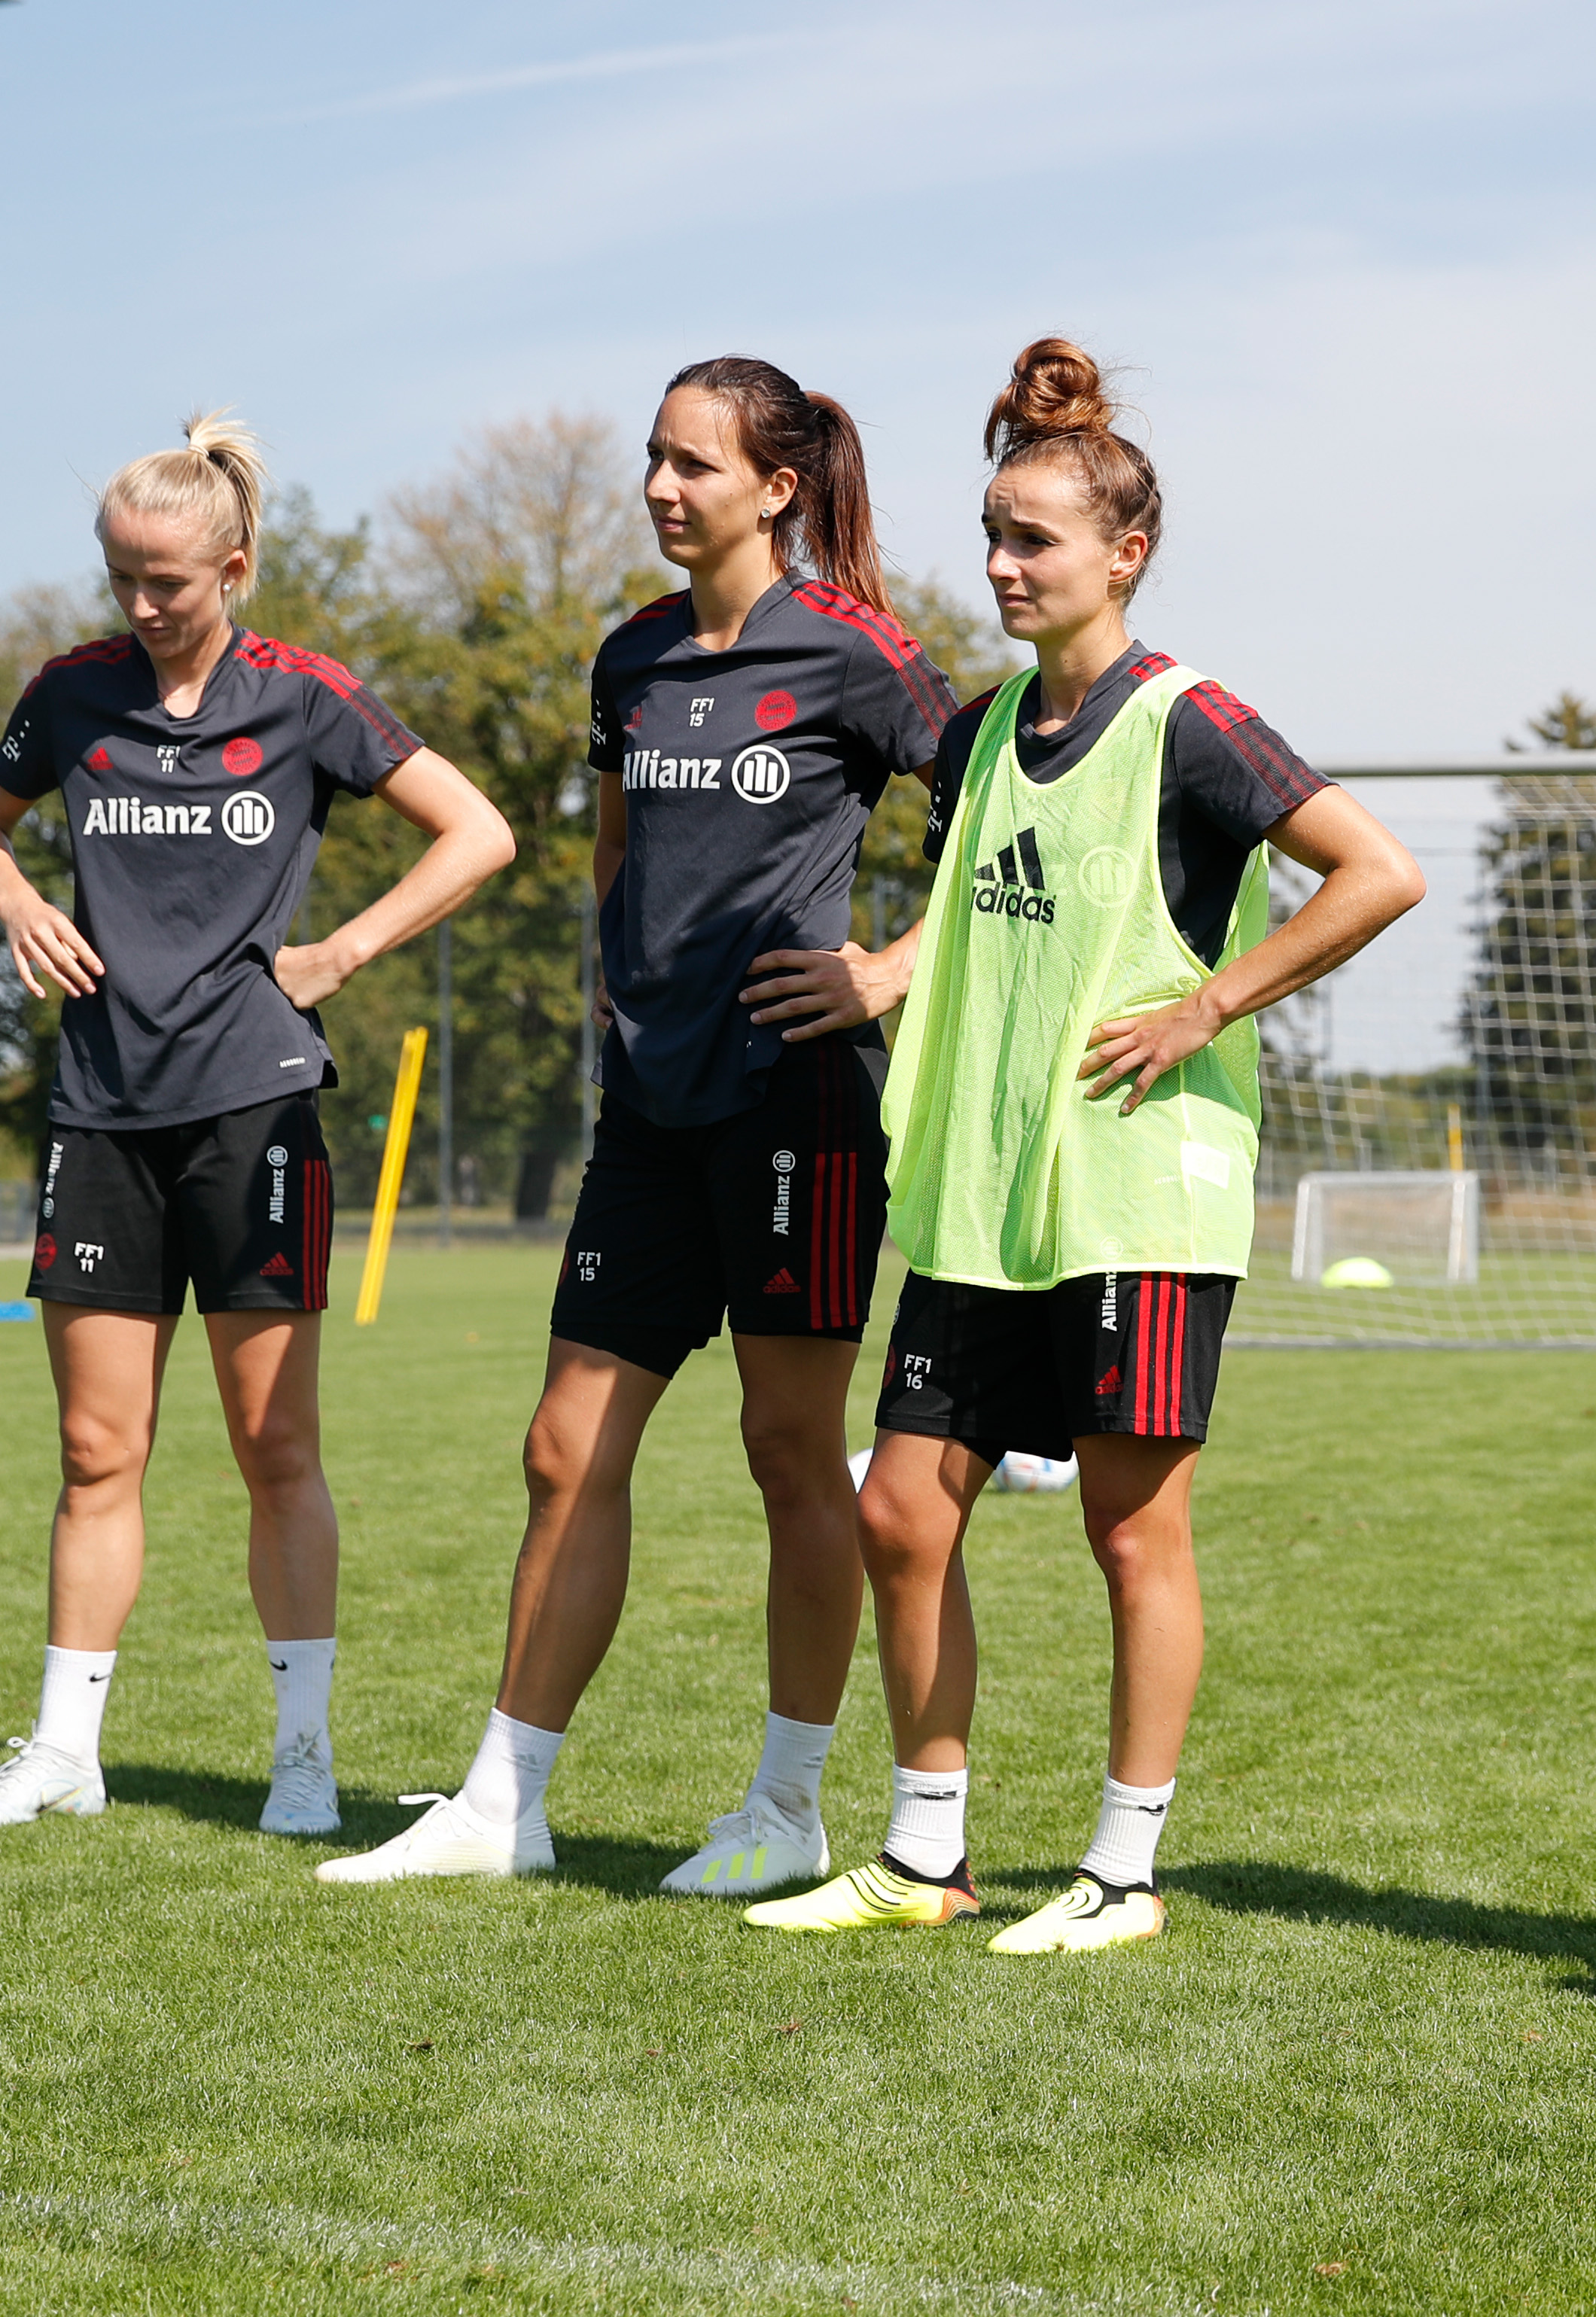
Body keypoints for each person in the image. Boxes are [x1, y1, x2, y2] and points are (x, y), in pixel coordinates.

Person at [742, 339, 1423, 1953]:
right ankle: (926, 1857)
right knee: (903, 1511)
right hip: (985, 1195)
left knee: (1134, 1529)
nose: (1001, 566)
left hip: (1136, 1197)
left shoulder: (1193, 722)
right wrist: (887, 972)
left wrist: (1208, 1007)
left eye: (1033, 540)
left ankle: (1121, 1873)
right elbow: (978, 917)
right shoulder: (979, 735)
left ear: (1125, 554)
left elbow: (1377, 870)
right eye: (991, 534)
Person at [318, 358, 956, 1896]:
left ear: (777, 487)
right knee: (561, 1451)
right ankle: (502, 1805)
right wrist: (622, 991)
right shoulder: (631, 660)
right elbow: (614, 848)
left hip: (797, 1109)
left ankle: (787, 1810)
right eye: (655, 460)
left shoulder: (862, 652)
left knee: (791, 1454)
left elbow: (1016, 823)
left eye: (695, 465)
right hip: (648, 1115)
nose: (664, 489)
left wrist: (887, 968)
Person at [0, 412, 516, 1835]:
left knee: (275, 1450)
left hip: (255, 1111)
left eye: (168, 583)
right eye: (121, 576)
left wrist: (342, 955)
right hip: (100, 1109)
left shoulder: (308, 696)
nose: (140, 606)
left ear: (234, 566)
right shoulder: (70, 696)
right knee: (95, 1451)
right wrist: (13, 898)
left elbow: (479, 830)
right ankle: (66, 1753)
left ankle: (303, 1758)